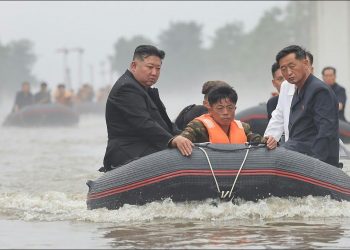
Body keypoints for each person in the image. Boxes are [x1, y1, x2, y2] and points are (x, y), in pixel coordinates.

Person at [101, 45, 180, 172]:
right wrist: (171, 140)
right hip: (127, 152)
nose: (154, 73)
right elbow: (144, 123)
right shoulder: (126, 88)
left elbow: (163, 123)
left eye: (158, 68)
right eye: (149, 67)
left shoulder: (146, 90)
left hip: (146, 147)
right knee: (177, 158)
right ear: (134, 66)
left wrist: (183, 136)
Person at [276, 45, 339, 167]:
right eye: (283, 69)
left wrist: (315, 164)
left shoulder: (319, 90)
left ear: (305, 64)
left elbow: (326, 131)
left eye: (292, 66)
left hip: (312, 159)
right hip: (295, 152)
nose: (288, 72)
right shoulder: (299, 89)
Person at [170, 85, 277, 156]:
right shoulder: (198, 125)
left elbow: (257, 140)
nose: (226, 112)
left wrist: (268, 141)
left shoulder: (243, 127)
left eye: (230, 108)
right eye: (220, 108)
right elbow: (184, 139)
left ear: (235, 109)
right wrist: (178, 140)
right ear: (210, 110)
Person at [264, 51, 314, 143]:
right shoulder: (286, 86)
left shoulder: (321, 90)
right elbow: (278, 116)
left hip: (313, 148)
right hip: (291, 147)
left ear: (311, 68)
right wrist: (269, 138)